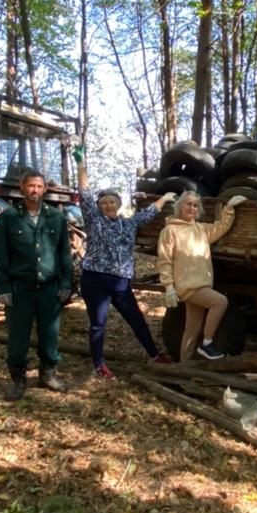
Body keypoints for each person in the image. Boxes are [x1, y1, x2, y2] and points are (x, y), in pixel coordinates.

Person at [76, 149, 175, 379]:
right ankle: (99, 365)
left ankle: (154, 355)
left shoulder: (129, 224)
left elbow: (150, 212)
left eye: (112, 201)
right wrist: (81, 165)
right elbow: (85, 193)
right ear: (99, 206)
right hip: (95, 280)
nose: (109, 205)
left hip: (120, 282)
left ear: (119, 204)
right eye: (105, 202)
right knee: (98, 324)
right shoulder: (94, 220)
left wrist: (166, 198)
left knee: (136, 319)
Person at [0, 168, 74, 401]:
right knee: (18, 337)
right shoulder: (8, 217)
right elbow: (0, 255)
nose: (34, 190)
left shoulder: (56, 217)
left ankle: (48, 374)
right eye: (30, 186)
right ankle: (18, 379)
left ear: (45, 189)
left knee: (50, 334)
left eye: (39, 186)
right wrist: (3, 287)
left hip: (49, 287)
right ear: (22, 188)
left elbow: (64, 254)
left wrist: (66, 284)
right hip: (20, 288)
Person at [157, 191, 246, 360]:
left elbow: (221, 227)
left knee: (191, 329)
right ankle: (207, 344)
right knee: (220, 302)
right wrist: (169, 287)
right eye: (188, 204)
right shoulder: (170, 230)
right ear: (179, 207)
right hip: (188, 286)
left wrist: (229, 208)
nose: (191, 208)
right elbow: (165, 260)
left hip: (202, 284)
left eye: (195, 205)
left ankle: (184, 367)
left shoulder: (201, 229)